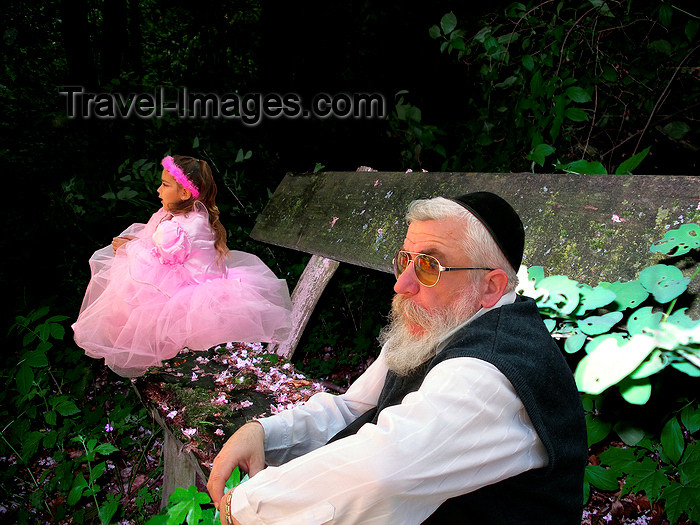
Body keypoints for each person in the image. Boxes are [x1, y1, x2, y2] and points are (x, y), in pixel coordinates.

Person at [207, 192, 588, 524]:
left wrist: (245, 506)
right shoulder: (440, 323)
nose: (402, 284)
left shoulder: (489, 375)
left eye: (429, 266)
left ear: (490, 287)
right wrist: (265, 434)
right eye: (405, 259)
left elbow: (383, 471)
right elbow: (354, 409)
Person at [72, 155, 292, 377]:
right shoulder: (194, 216)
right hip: (215, 291)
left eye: (165, 185)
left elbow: (156, 265)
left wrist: (128, 250)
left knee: (132, 290)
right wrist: (137, 244)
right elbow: (164, 253)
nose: (158, 190)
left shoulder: (175, 229)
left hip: (194, 303)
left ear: (184, 193)